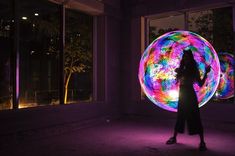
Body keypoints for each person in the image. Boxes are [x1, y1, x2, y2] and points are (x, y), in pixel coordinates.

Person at [166, 49, 210, 151]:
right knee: (180, 116)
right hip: (182, 94)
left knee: (195, 116)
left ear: (191, 58)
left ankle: (202, 142)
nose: (185, 59)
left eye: (187, 57)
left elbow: (200, 84)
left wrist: (206, 73)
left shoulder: (194, 70)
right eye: (184, 57)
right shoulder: (182, 68)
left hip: (190, 95)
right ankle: (174, 137)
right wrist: (177, 72)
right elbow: (178, 80)